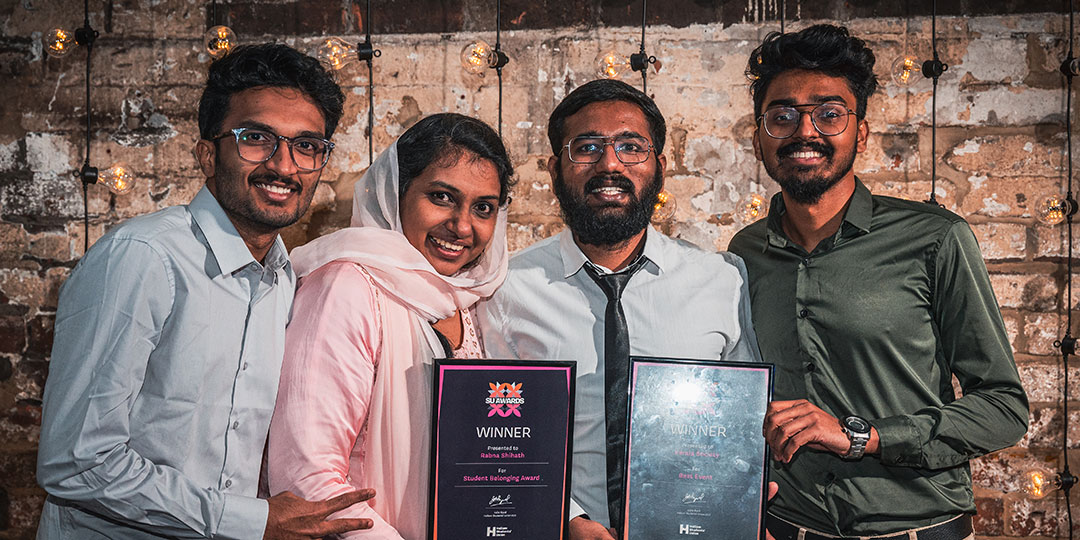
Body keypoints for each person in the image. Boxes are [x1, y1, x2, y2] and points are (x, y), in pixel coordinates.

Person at [35, 43, 377, 539]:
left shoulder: (283, 279)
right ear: (206, 153)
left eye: (307, 146)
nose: (284, 166)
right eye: (256, 138)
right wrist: (250, 522)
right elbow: (77, 462)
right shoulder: (143, 259)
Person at [728, 24, 1029, 540]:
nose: (805, 132)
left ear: (860, 135)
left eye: (829, 114)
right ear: (759, 139)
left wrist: (859, 436)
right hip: (788, 527)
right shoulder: (743, 253)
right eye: (783, 116)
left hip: (919, 528)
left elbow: (1003, 408)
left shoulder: (936, 238)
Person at [479, 79, 762, 540]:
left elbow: (741, 422)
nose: (609, 164)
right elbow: (494, 436)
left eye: (631, 146)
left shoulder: (720, 279)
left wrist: (741, 498)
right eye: (587, 147)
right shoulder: (506, 287)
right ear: (554, 171)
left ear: (660, 168)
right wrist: (566, 519)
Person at [266, 112, 514, 540]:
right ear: (396, 192)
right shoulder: (345, 286)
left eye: (484, 208)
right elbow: (307, 474)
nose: (462, 226)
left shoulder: (471, 298)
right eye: (441, 196)